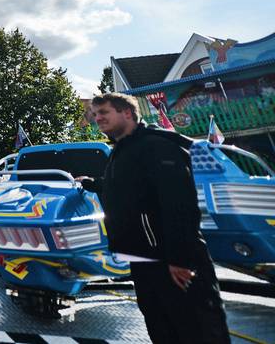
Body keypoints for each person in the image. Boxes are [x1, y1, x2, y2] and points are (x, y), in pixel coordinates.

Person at [89, 93, 230, 343]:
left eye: (104, 112)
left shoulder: (156, 146)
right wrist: (93, 184)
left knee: (197, 330)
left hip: (171, 260)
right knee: (162, 330)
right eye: (96, 113)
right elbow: (128, 189)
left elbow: (179, 204)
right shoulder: (122, 150)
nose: (97, 118)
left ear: (127, 113)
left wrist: (179, 258)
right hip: (143, 259)